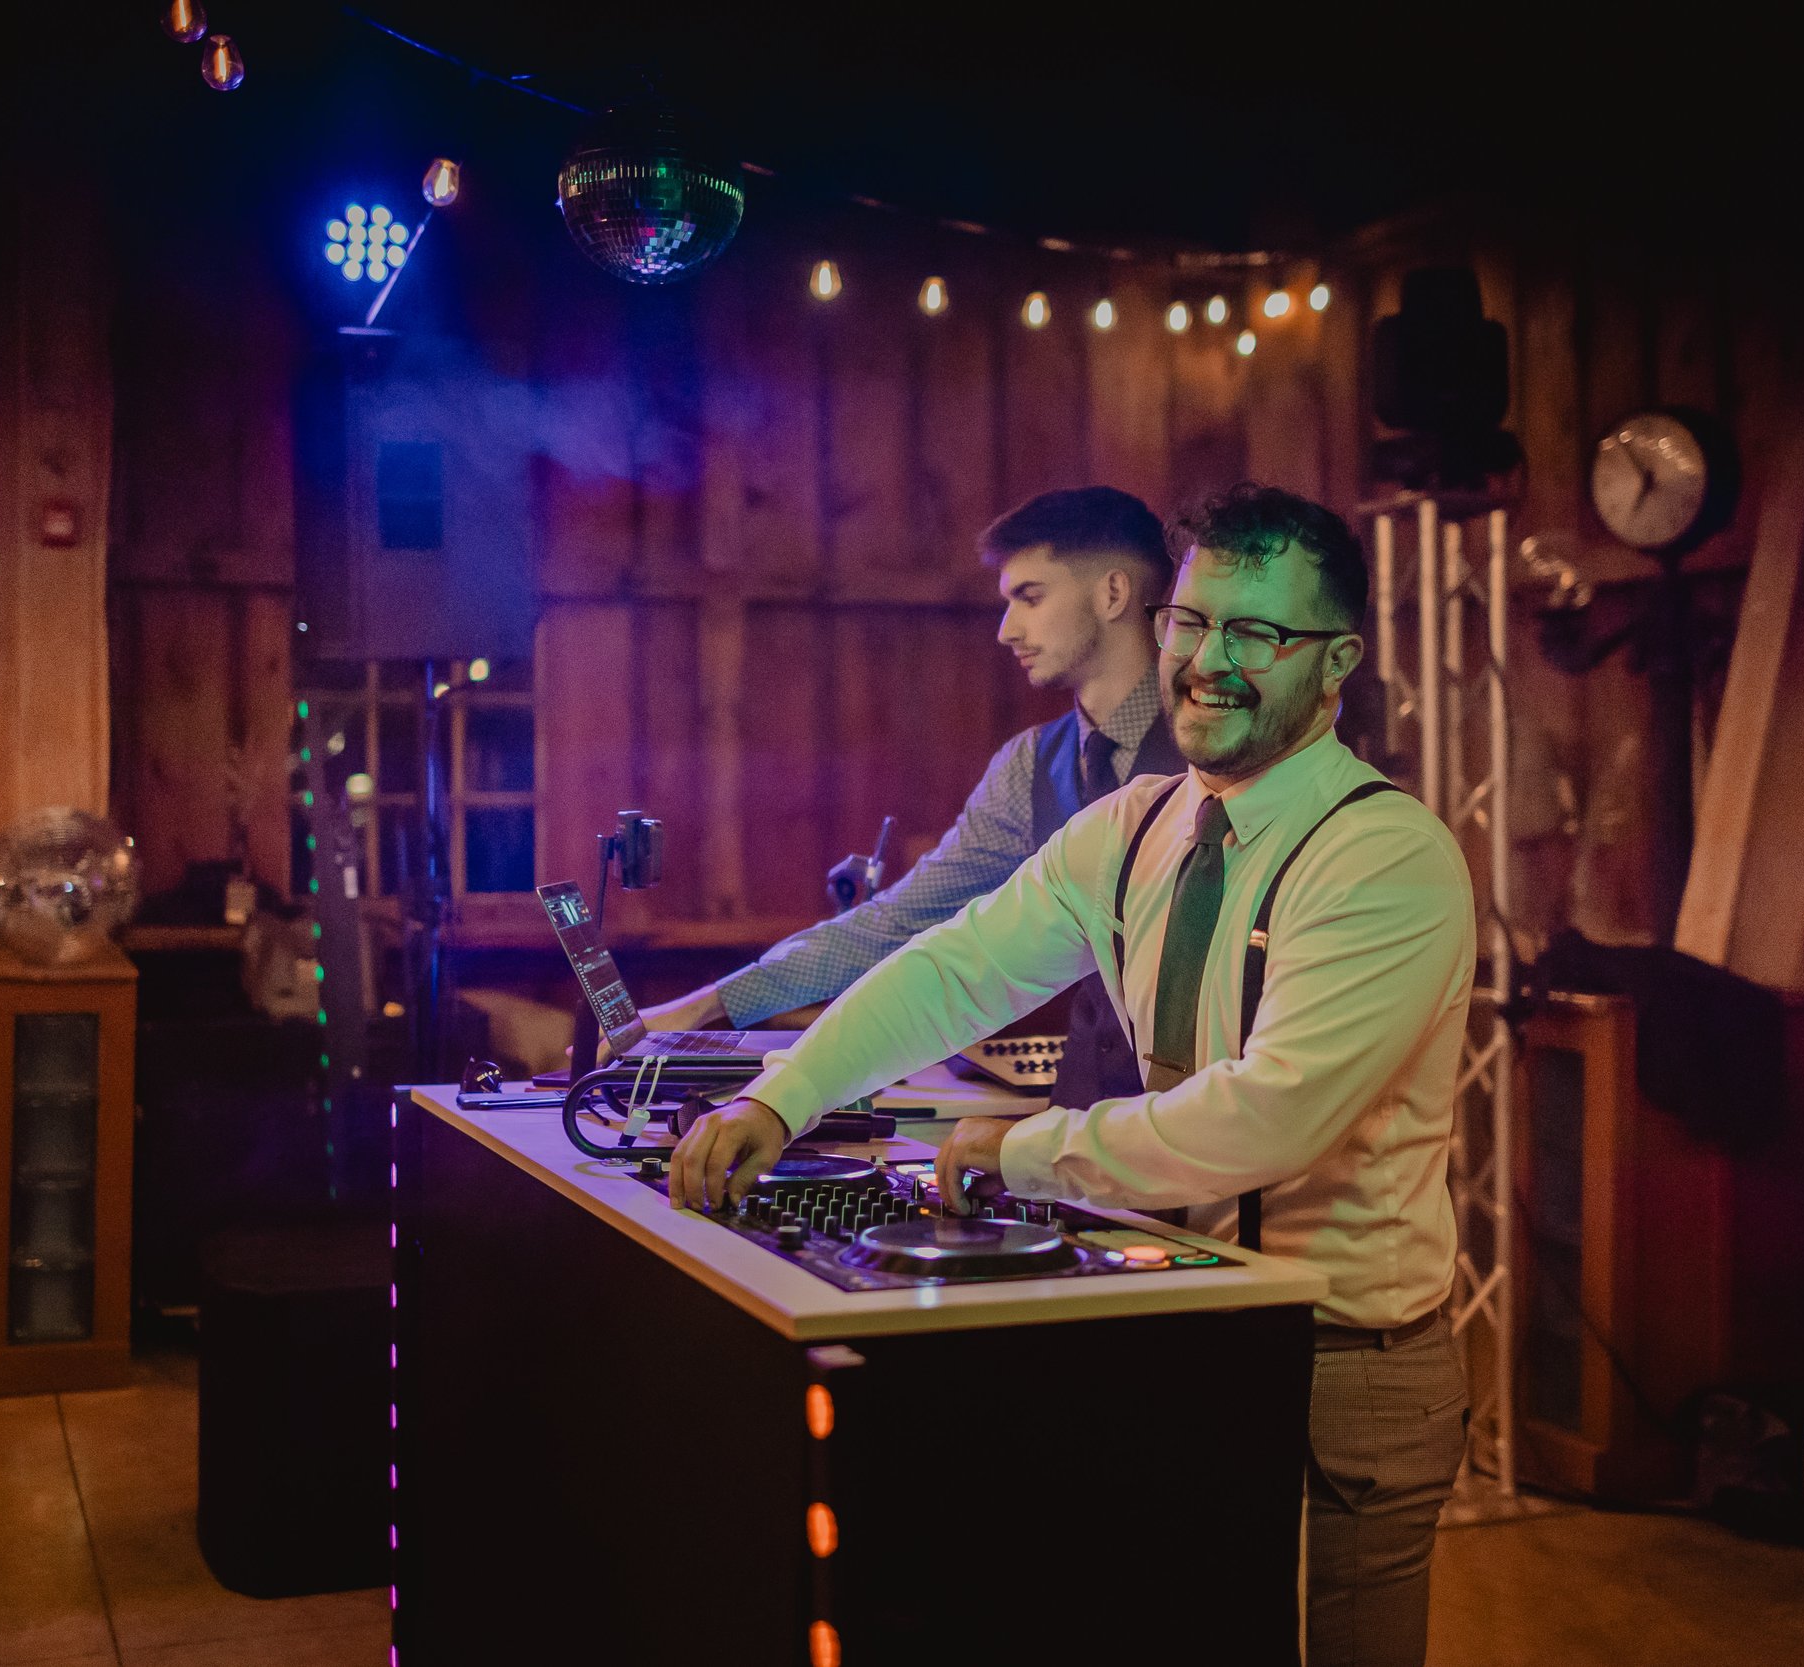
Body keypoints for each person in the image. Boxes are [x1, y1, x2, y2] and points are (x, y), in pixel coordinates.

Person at [669, 483, 1478, 1667]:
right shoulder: (1135, 823)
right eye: (1193, 621)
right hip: (1177, 1321)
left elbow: (1270, 1118)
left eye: (1258, 632)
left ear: (1336, 659)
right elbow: (950, 965)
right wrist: (779, 1094)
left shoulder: (1385, 853)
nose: (1210, 659)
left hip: (1339, 1364)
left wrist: (1022, 1148)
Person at [615, 485, 1186, 1108]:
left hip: (1210, 1118)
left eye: (1030, 596)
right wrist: (703, 1008)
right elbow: (903, 918)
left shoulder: (1214, 746)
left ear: (1112, 594)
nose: (1006, 630)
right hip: (1082, 1114)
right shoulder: (1028, 764)